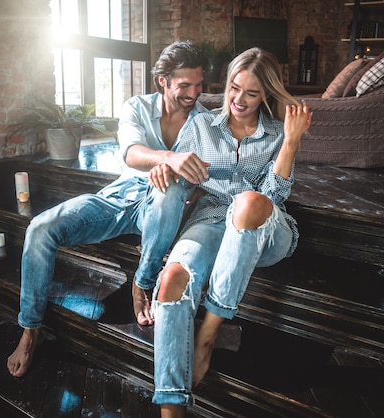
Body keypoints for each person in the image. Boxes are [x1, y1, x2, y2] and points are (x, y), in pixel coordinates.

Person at [7, 40, 212, 378]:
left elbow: (207, 174)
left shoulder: (206, 123)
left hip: (165, 208)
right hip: (119, 196)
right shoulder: (136, 106)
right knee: (39, 229)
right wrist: (167, 158)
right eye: (185, 85)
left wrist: (174, 177)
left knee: (170, 188)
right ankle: (31, 330)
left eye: (199, 84)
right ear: (163, 81)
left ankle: (142, 282)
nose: (194, 92)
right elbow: (131, 152)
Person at [141, 47, 312, 417]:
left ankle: (207, 334)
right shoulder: (201, 126)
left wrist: (292, 140)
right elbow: (182, 181)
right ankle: (171, 409)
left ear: (265, 94)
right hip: (210, 220)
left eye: (251, 93)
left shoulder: (276, 134)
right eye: (234, 88)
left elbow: (274, 196)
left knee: (249, 202)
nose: (239, 99)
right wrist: (166, 171)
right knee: (171, 280)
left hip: (264, 229)